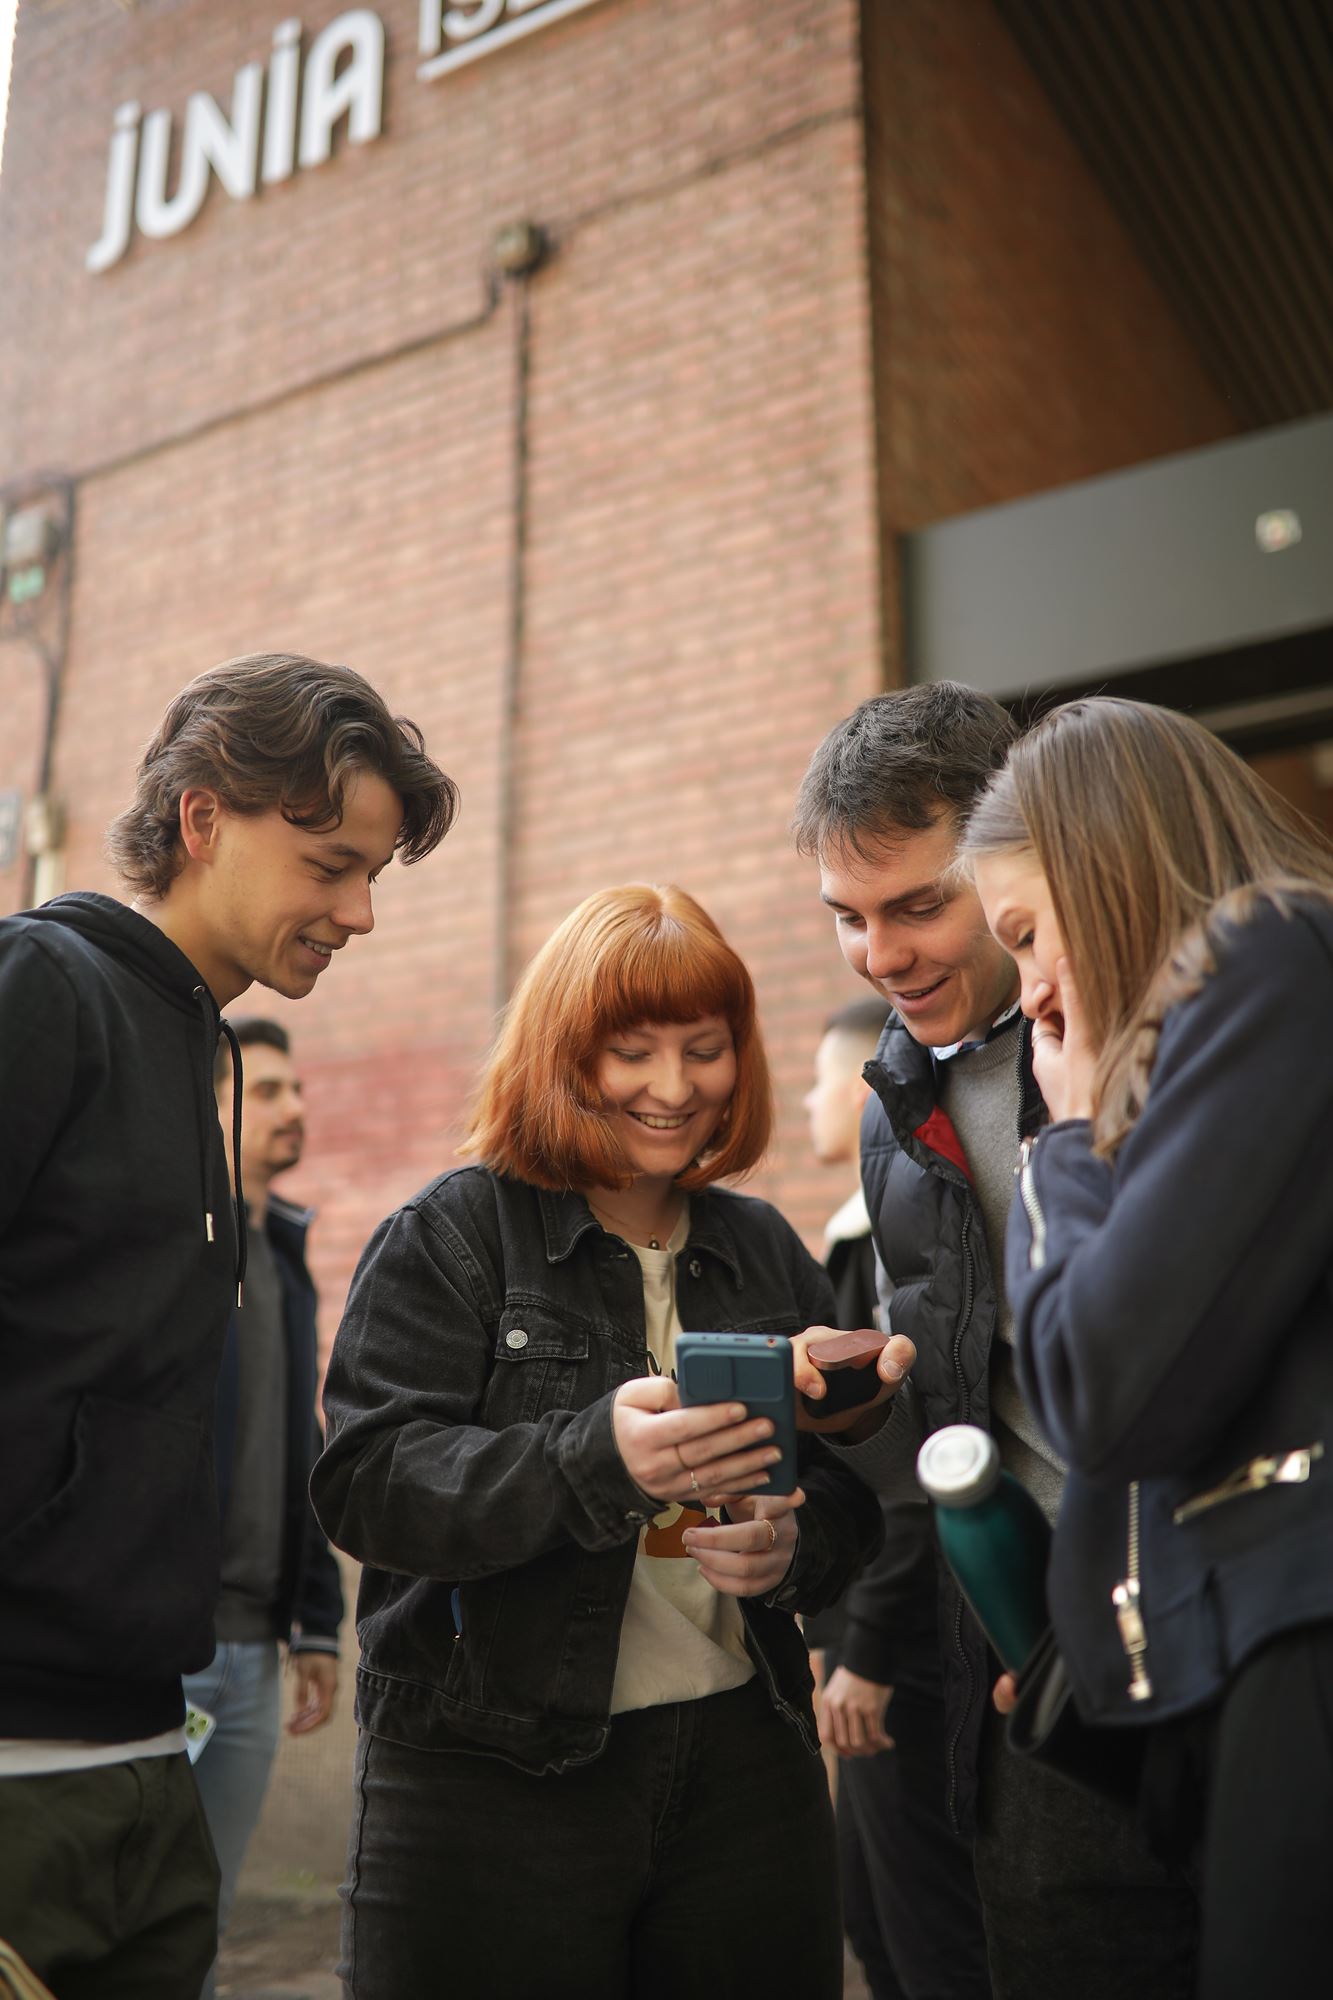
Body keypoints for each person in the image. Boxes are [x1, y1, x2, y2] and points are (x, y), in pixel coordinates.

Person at [311, 884, 883, 2000]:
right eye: (631, 1049)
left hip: (743, 1762)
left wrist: (790, 1551)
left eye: (704, 1048)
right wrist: (596, 1459)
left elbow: (849, 1498)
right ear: (564, 1053)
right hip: (491, 1773)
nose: (673, 1087)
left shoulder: (758, 1243)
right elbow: (368, 1484)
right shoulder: (453, 1230)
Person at [0, 653, 457, 2000]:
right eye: (328, 864)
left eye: (372, 873)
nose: (360, 911)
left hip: (146, 1751)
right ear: (203, 820)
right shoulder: (43, 987)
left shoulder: (191, 1048)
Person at [789, 683, 1197, 2000]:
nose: (880, 956)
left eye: (919, 906)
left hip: (1216, 1643)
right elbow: (964, 1412)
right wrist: (849, 1412)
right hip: (1030, 1686)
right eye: (848, 918)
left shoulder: (1165, 1026)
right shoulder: (892, 1104)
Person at [961, 695, 1333, 1999]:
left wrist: (1063, 1148)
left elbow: (1103, 1393)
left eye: (1025, 933)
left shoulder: (1269, 951)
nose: (1034, 992)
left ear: (1107, 863)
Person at [803, 998, 992, 2000]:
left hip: (913, 1642)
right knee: (872, 1920)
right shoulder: (847, 1238)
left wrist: (866, 1650)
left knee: (927, 1933)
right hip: (869, 1635)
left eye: (817, 1080)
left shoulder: (888, 1236)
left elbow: (911, 1457)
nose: (804, 1101)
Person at [184, 1018, 344, 1998]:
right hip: (163, 1643)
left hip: (251, 1647)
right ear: (209, 1103)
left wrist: (318, 1620)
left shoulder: (283, 1256)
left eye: (295, 1088)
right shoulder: (172, 1247)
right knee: (122, 1914)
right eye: (269, 1088)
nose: (294, 1108)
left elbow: (305, 1446)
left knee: (205, 1912)